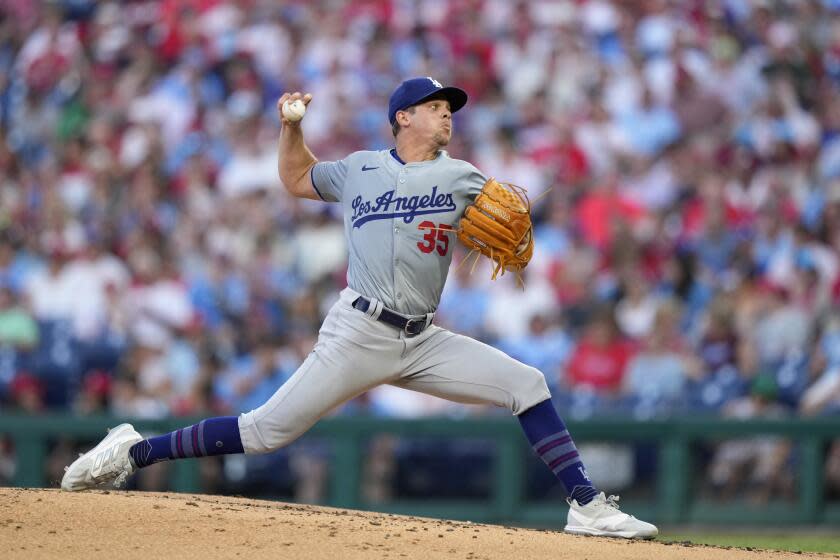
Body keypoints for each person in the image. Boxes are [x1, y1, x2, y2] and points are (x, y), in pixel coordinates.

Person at [61, 77, 657, 539]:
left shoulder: (463, 176)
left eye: (450, 106)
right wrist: (291, 129)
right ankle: (132, 451)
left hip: (423, 339)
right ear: (404, 117)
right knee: (267, 432)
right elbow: (296, 180)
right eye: (435, 105)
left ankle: (587, 506)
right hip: (358, 330)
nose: (447, 112)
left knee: (526, 382)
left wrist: (517, 236)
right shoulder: (360, 169)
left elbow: (513, 236)